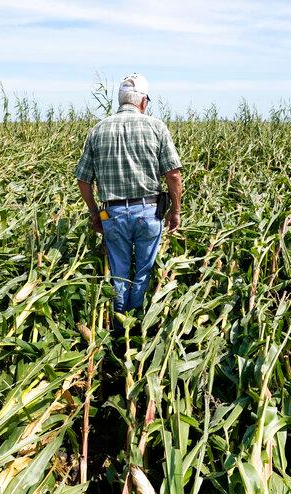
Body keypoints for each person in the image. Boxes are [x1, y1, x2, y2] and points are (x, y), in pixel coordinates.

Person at [75, 73, 182, 329]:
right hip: (148, 210)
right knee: (143, 270)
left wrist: (94, 214)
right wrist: (175, 211)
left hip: (112, 214)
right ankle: (139, 327)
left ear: (120, 100)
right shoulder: (157, 127)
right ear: (143, 101)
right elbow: (174, 175)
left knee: (120, 272)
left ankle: (120, 327)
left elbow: (83, 180)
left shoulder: (98, 130)